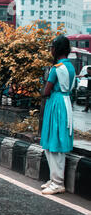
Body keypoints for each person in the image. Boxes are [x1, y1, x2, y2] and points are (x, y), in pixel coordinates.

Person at [40, 35, 76, 195]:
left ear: (57, 49)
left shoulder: (56, 68)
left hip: (55, 103)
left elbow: (46, 91)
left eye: (52, 47)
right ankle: (54, 179)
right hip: (66, 102)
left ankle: (57, 182)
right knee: (58, 140)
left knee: (53, 142)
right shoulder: (71, 67)